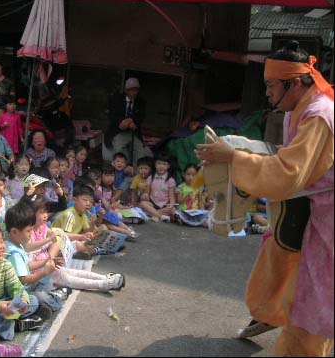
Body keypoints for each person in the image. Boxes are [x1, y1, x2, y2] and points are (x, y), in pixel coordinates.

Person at [195, 40, 334, 356]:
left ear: (294, 83)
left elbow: (289, 173)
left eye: (272, 85)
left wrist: (234, 158)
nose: (268, 93)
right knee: (274, 254)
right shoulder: (297, 107)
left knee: (313, 301)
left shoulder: (319, 114)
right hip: (308, 203)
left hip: (327, 217)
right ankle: (272, 313)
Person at [28, 199, 125, 292]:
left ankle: (105, 278)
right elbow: (30, 251)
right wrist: (49, 254)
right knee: (67, 278)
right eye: (41, 213)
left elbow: (61, 234)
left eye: (45, 212)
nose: (45, 216)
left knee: (69, 272)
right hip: (38, 271)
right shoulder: (28, 232)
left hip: (48, 263)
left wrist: (82, 236)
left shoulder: (43, 227)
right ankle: (104, 284)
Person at [5, 201, 62, 316]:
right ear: (14, 232)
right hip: (18, 291)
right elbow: (24, 280)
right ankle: (54, 301)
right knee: (37, 299)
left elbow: (27, 265)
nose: (31, 234)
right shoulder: (14, 253)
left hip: (25, 287)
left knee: (44, 284)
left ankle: (45, 303)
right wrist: (44, 272)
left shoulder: (16, 244)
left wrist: (45, 262)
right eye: (28, 231)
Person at [106, 77, 146, 166]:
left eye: (135, 90)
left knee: (140, 152)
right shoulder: (116, 99)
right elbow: (111, 116)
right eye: (131, 90)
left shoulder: (141, 101)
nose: (133, 93)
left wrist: (131, 120)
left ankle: (136, 174)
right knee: (118, 151)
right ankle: (119, 171)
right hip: (119, 132)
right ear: (125, 90)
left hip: (134, 133)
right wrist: (121, 122)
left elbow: (141, 117)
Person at [138, 152, 176, 223]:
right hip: (153, 203)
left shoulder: (170, 180)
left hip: (165, 204)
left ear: (168, 166)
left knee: (173, 209)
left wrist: (170, 206)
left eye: (164, 164)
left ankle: (153, 214)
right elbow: (147, 192)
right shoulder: (150, 178)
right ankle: (160, 216)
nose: (161, 166)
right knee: (142, 203)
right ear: (155, 165)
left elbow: (172, 197)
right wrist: (145, 195)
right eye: (159, 163)